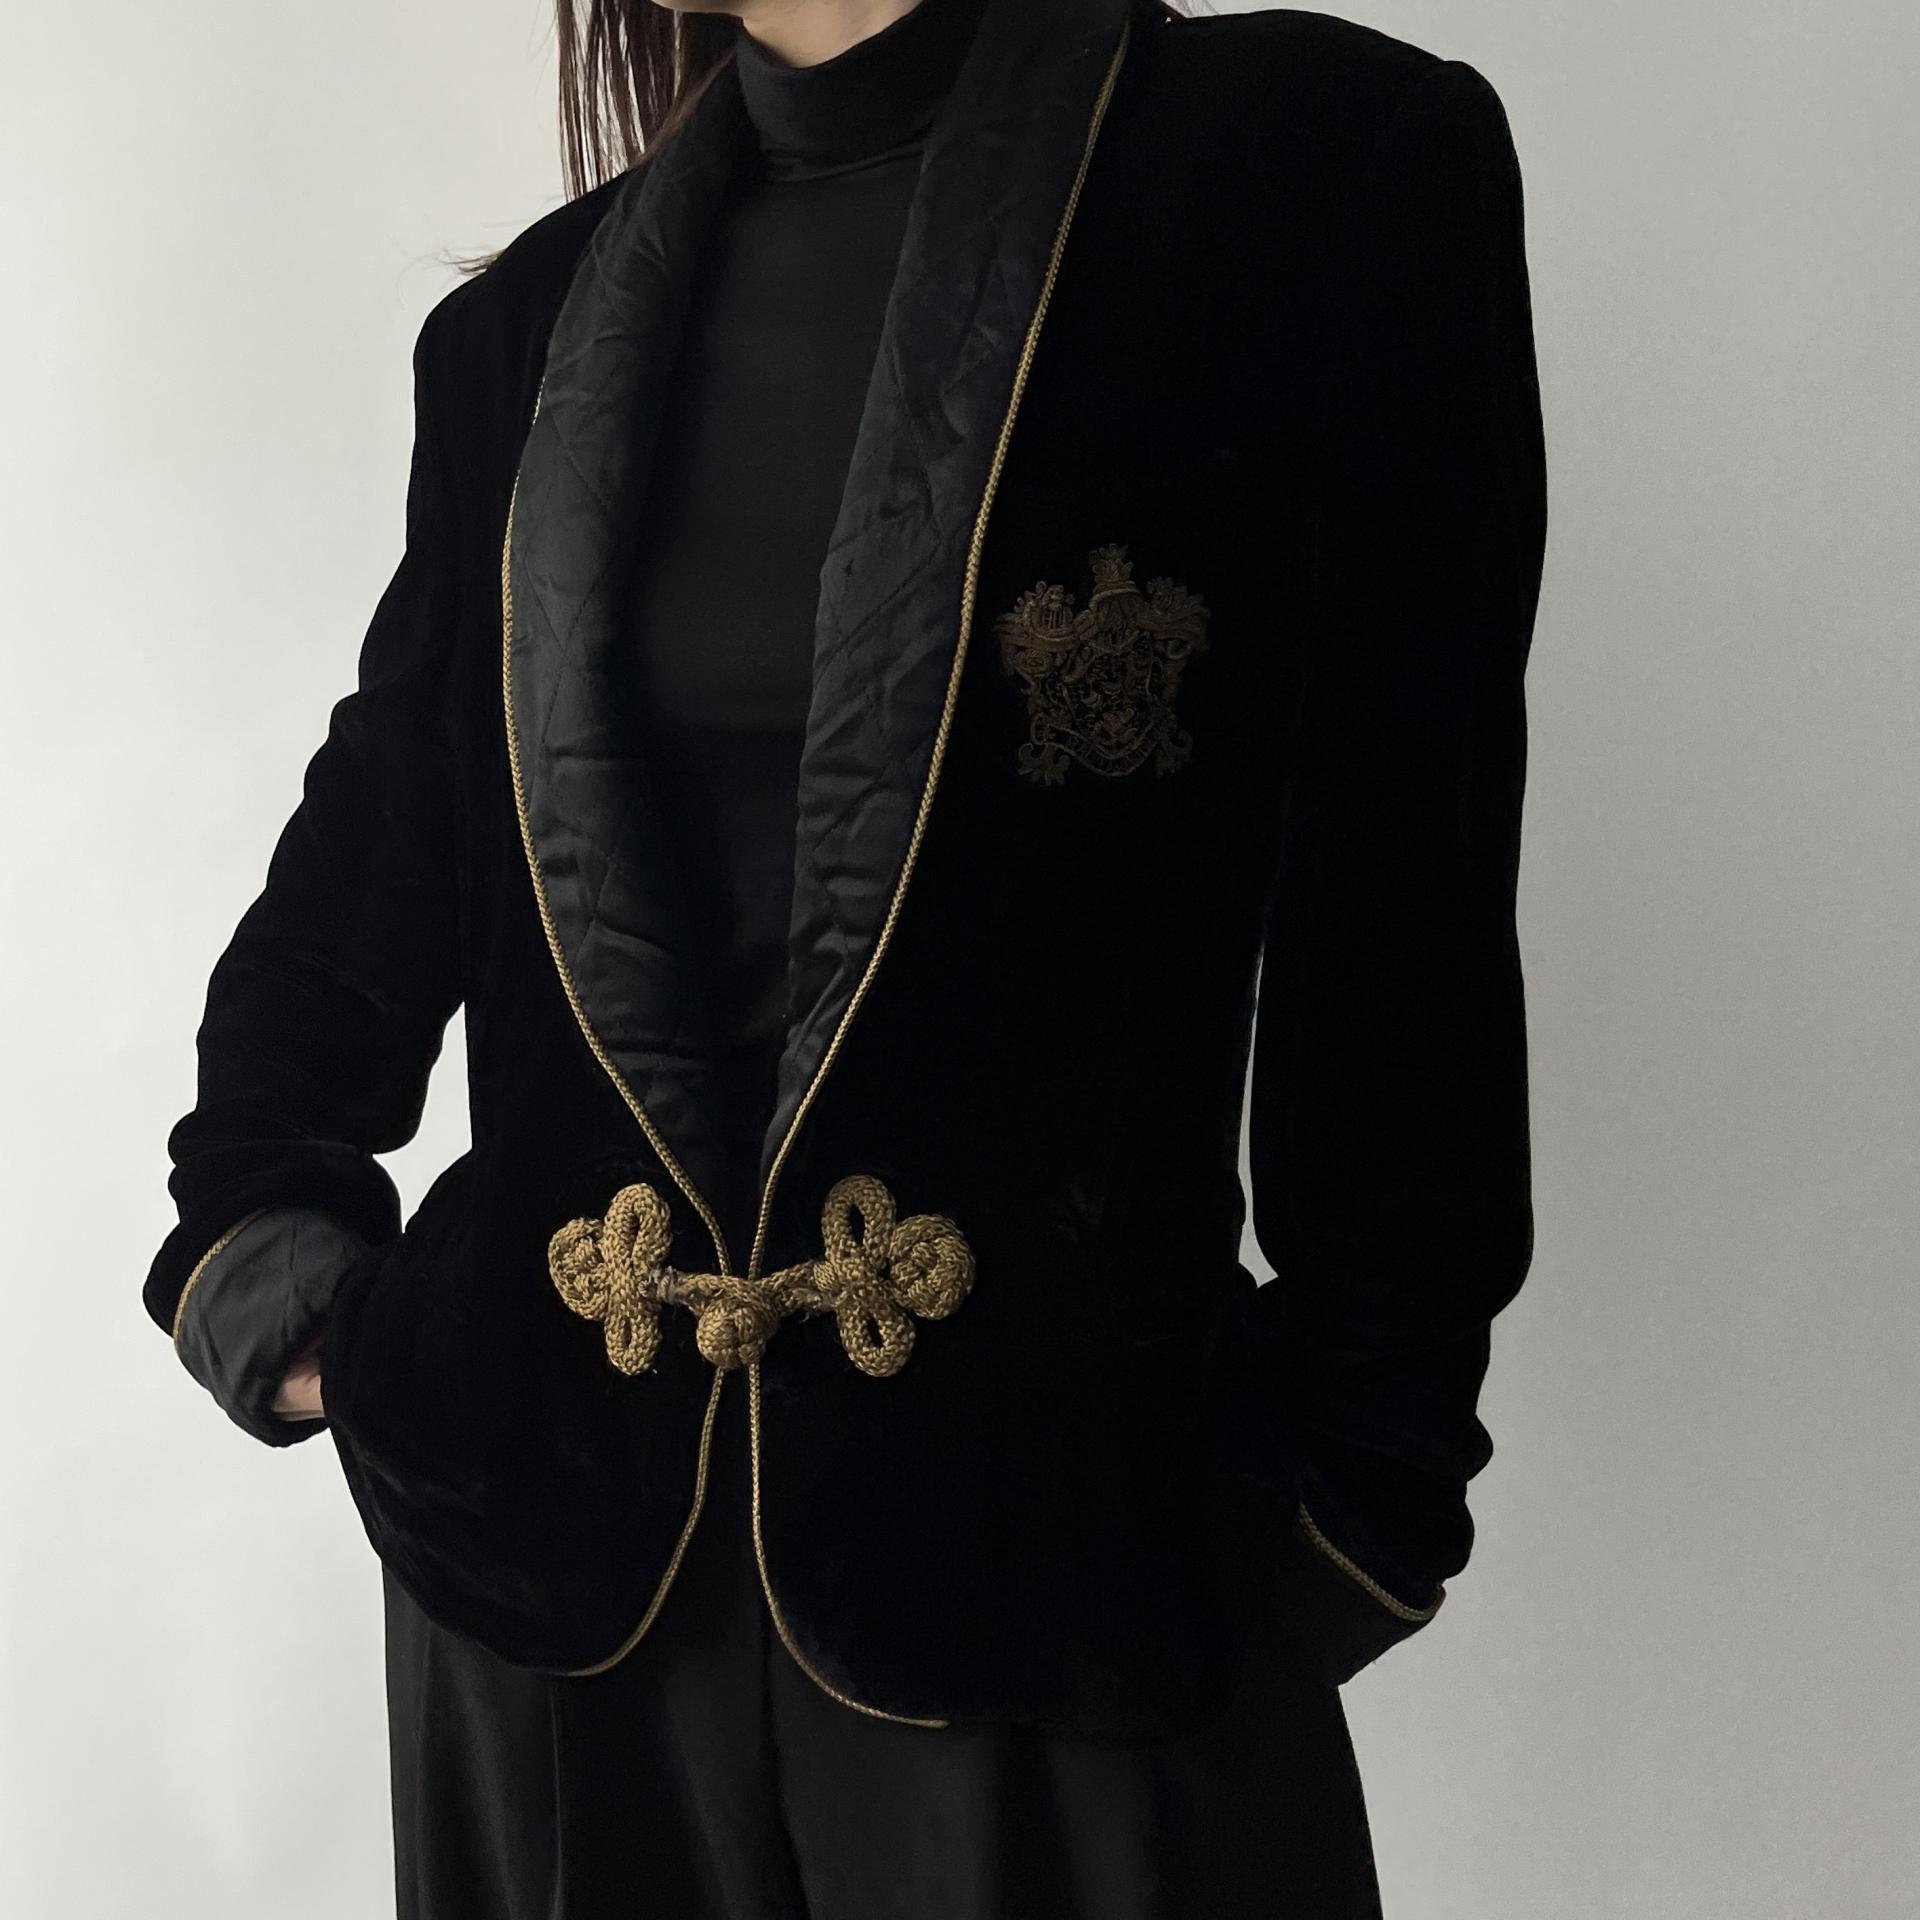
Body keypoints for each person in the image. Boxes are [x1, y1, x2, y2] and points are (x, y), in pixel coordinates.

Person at [143, 0, 1548, 1912]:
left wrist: (1349, 1501)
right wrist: (322, 1323)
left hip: (1064, 1607)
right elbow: (359, 897)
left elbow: (1404, 925)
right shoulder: (521, 333)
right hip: (560, 1629)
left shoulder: (1312, 178)